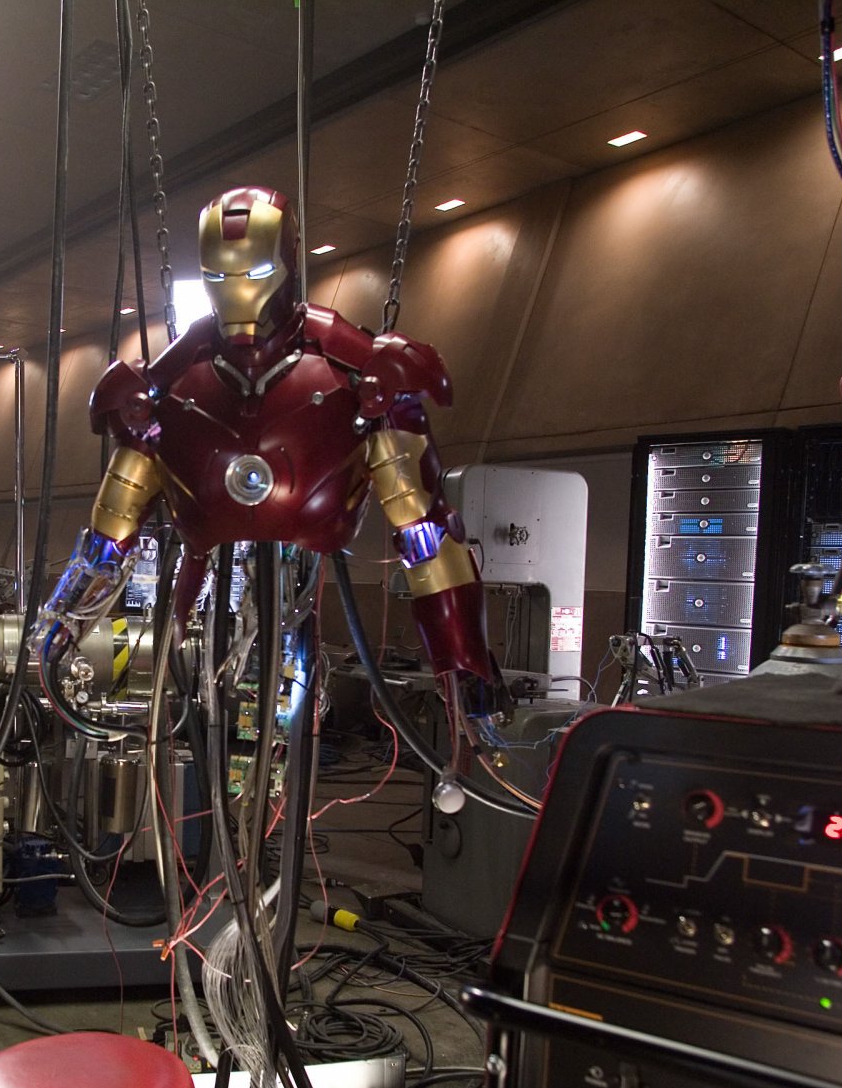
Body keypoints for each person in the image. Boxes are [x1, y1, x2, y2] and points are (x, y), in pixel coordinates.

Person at [27, 185, 510, 744]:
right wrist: (59, 628)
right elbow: (106, 539)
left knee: (420, 527)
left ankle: (468, 687)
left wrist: (465, 670)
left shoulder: (362, 375)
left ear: (287, 261)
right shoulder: (161, 390)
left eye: (254, 271)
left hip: (302, 580)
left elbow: (428, 535)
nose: (238, 293)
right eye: (219, 275)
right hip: (205, 598)